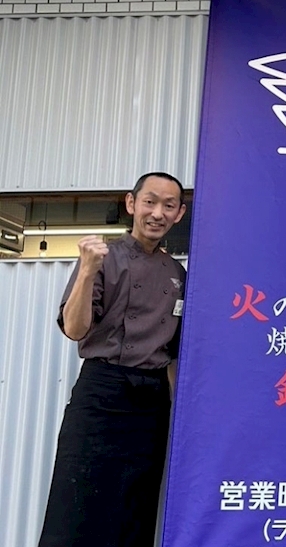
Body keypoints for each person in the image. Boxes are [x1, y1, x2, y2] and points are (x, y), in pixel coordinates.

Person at [39, 172, 187, 547]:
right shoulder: (102, 258)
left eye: (168, 206)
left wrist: (177, 410)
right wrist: (87, 271)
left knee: (135, 506)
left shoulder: (177, 274)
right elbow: (75, 329)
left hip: (151, 402)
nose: (157, 213)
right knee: (76, 502)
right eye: (150, 202)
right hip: (101, 392)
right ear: (131, 203)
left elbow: (173, 354)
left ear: (179, 214)